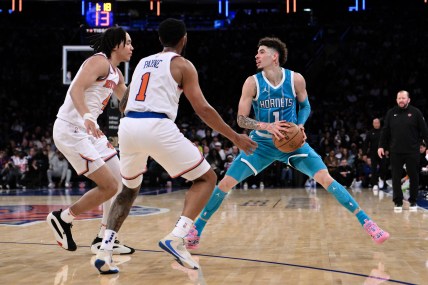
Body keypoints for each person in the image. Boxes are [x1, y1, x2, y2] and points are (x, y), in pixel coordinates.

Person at [186, 37, 389, 250]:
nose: (257, 55)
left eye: (261, 51)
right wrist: (266, 126)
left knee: (325, 178)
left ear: (275, 56)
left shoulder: (296, 79)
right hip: (261, 144)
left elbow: (306, 106)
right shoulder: (252, 82)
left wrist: (300, 125)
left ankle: (368, 223)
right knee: (225, 183)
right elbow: (241, 119)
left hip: (292, 144)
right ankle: (196, 230)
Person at [93, 18, 257, 274]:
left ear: (160, 40)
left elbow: (124, 103)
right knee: (206, 179)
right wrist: (235, 137)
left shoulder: (142, 63)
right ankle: (177, 237)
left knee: (128, 190)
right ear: (184, 39)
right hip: (156, 125)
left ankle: (104, 249)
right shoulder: (183, 65)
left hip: (128, 125)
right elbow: (202, 108)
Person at [46, 27, 135, 255]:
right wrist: (87, 115)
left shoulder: (116, 73)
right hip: (71, 128)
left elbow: (128, 105)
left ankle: (103, 238)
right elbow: (76, 89)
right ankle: (63, 218)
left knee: (120, 181)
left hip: (89, 131)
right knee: (109, 186)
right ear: (116, 45)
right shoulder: (99, 62)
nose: (132, 47)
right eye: (128, 43)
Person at [378, 90, 428, 212]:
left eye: (403, 98)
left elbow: (424, 130)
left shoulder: (416, 112)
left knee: (414, 176)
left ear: (408, 100)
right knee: (395, 177)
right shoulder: (391, 113)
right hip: (395, 151)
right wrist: (381, 146)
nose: (401, 100)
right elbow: (385, 131)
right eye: (399, 98)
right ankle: (398, 202)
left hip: (412, 151)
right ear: (396, 100)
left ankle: (413, 201)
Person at [365, 118, 382, 190]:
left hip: (382, 153)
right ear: (373, 124)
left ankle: (381, 179)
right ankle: (375, 183)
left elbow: (388, 141)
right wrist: (364, 153)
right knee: (374, 169)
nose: (376, 124)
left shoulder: (384, 131)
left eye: (377, 123)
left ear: (379, 123)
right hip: (373, 153)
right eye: (375, 123)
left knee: (383, 167)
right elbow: (366, 143)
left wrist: (387, 150)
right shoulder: (370, 132)